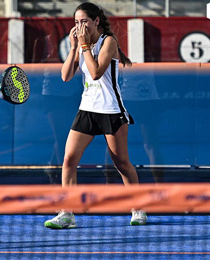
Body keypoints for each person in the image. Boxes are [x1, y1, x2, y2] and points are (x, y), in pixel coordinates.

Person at [44, 2, 147, 229]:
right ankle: (67, 213)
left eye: (84, 22)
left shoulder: (108, 42)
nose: (80, 26)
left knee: (121, 163)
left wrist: (83, 47)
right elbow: (65, 77)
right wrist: (74, 48)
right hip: (87, 110)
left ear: (96, 21)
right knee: (69, 160)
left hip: (111, 111)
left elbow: (96, 73)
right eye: (76, 23)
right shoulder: (81, 45)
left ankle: (138, 207)